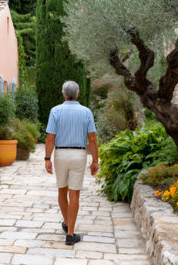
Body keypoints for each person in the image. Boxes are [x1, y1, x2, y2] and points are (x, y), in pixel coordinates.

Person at [44, 81, 99, 245]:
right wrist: (95, 161)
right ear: (78, 94)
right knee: (74, 193)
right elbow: (93, 139)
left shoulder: (55, 111)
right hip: (79, 154)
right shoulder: (86, 112)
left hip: (61, 153)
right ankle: (70, 233)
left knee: (62, 190)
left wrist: (47, 159)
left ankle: (67, 222)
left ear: (63, 94)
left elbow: (50, 137)